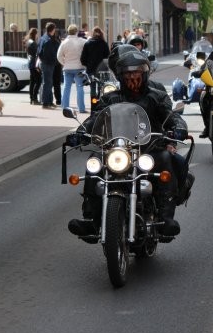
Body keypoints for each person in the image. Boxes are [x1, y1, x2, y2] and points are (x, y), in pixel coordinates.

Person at [67, 48, 191, 238]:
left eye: (136, 73)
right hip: (117, 149)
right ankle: (91, 220)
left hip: (149, 149)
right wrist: (81, 132)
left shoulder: (156, 96)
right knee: (94, 161)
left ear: (144, 73)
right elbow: (96, 118)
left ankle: (165, 219)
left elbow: (171, 115)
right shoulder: (111, 98)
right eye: (127, 74)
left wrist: (179, 127)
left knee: (166, 158)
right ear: (120, 75)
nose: (132, 77)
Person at [57, 24, 87, 113]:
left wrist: (64, 63)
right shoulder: (82, 41)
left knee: (66, 88)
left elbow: (59, 56)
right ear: (76, 32)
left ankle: (65, 107)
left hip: (67, 68)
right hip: (79, 67)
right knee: (80, 88)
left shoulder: (64, 43)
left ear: (68, 32)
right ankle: (81, 108)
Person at [80, 26, 110, 104]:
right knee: (101, 87)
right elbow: (107, 57)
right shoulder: (104, 44)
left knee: (92, 88)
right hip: (102, 69)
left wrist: (87, 64)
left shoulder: (88, 44)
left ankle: (93, 104)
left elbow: (83, 58)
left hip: (91, 69)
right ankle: (100, 104)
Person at [37, 22, 61, 109]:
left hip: (45, 63)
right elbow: (49, 54)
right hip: (48, 63)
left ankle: (49, 101)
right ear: (53, 30)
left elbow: (39, 52)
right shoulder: (48, 40)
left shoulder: (43, 38)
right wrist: (55, 61)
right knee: (47, 83)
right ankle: (45, 102)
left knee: (48, 83)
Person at [25, 28, 42, 105]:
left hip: (30, 63)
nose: (38, 35)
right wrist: (37, 67)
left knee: (32, 82)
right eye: (37, 34)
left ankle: (31, 98)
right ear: (35, 34)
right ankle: (34, 98)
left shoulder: (28, 41)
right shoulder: (33, 43)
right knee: (38, 81)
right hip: (34, 64)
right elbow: (36, 55)